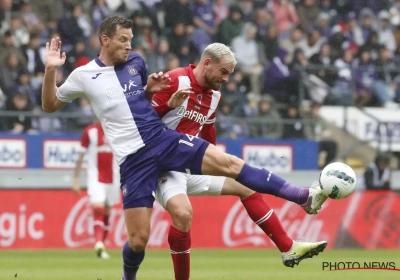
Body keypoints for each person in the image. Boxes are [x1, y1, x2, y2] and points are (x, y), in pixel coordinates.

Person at [41, 16, 328, 280]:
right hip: (133, 160)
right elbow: (50, 105)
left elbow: (139, 104)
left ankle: (302, 196)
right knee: (139, 240)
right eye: (123, 40)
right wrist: (50, 70)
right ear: (105, 40)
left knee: (230, 165)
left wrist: (150, 90)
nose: (129, 45)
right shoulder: (83, 75)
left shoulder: (136, 63)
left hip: (161, 141)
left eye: (131, 39)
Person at [151, 44, 328, 280]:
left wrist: (213, 157)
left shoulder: (214, 96)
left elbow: (208, 130)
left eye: (229, 74)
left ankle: (288, 248)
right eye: (223, 72)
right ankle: (302, 196)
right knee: (182, 216)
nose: (226, 79)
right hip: (162, 165)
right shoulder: (174, 80)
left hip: (189, 163)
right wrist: (169, 105)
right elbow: (143, 123)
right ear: (207, 64)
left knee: (246, 185)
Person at [72, 121, 120, 259]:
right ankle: (98, 242)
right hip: (95, 177)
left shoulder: (117, 129)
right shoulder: (90, 131)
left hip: (113, 178)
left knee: (107, 211)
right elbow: (81, 155)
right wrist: (76, 178)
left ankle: (102, 246)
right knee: (98, 208)